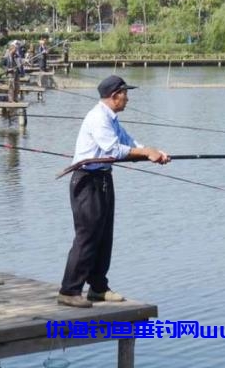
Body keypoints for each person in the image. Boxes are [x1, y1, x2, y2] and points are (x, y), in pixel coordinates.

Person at [57, 75, 170, 308]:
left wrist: (153, 153)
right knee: (87, 236)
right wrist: (145, 153)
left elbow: (129, 143)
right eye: (125, 94)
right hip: (86, 181)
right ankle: (69, 290)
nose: (127, 98)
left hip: (104, 179)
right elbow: (114, 149)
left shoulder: (112, 119)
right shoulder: (98, 117)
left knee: (104, 236)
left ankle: (98, 288)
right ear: (114, 96)